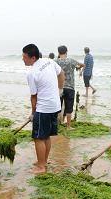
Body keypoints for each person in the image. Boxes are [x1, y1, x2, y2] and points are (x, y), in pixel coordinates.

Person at [22, 44, 64, 174]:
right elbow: (61, 73)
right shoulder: (49, 61)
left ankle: (41, 166)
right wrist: (60, 90)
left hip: (44, 108)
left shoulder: (32, 73)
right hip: (55, 105)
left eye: (24, 57)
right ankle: (44, 161)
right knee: (46, 136)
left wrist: (33, 113)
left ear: (33, 58)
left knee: (39, 138)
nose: (23, 59)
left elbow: (33, 97)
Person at [56, 45, 84, 129]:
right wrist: (78, 68)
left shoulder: (55, 61)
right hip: (70, 87)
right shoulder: (71, 61)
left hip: (59, 87)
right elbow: (83, 64)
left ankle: (57, 125)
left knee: (58, 107)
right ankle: (68, 126)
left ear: (58, 52)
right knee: (69, 107)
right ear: (66, 51)